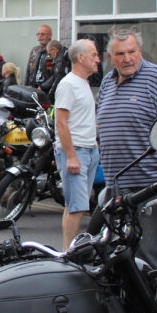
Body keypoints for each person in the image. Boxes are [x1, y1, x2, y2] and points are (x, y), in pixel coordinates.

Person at [96, 26, 157, 313]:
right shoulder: (107, 83)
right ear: (110, 57)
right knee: (117, 257)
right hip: (117, 187)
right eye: (120, 54)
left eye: (132, 52)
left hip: (149, 187)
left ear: (140, 51)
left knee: (149, 261)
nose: (127, 58)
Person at [54, 39, 101, 250]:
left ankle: (66, 251)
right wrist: (71, 156)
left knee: (72, 205)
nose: (98, 60)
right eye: (94, 55)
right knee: (78, 207)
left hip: (89, 150)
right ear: (81, 58)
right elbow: (61, 122)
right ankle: (68, 253)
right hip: (76, 152)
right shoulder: (68, 84)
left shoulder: (83, 83)